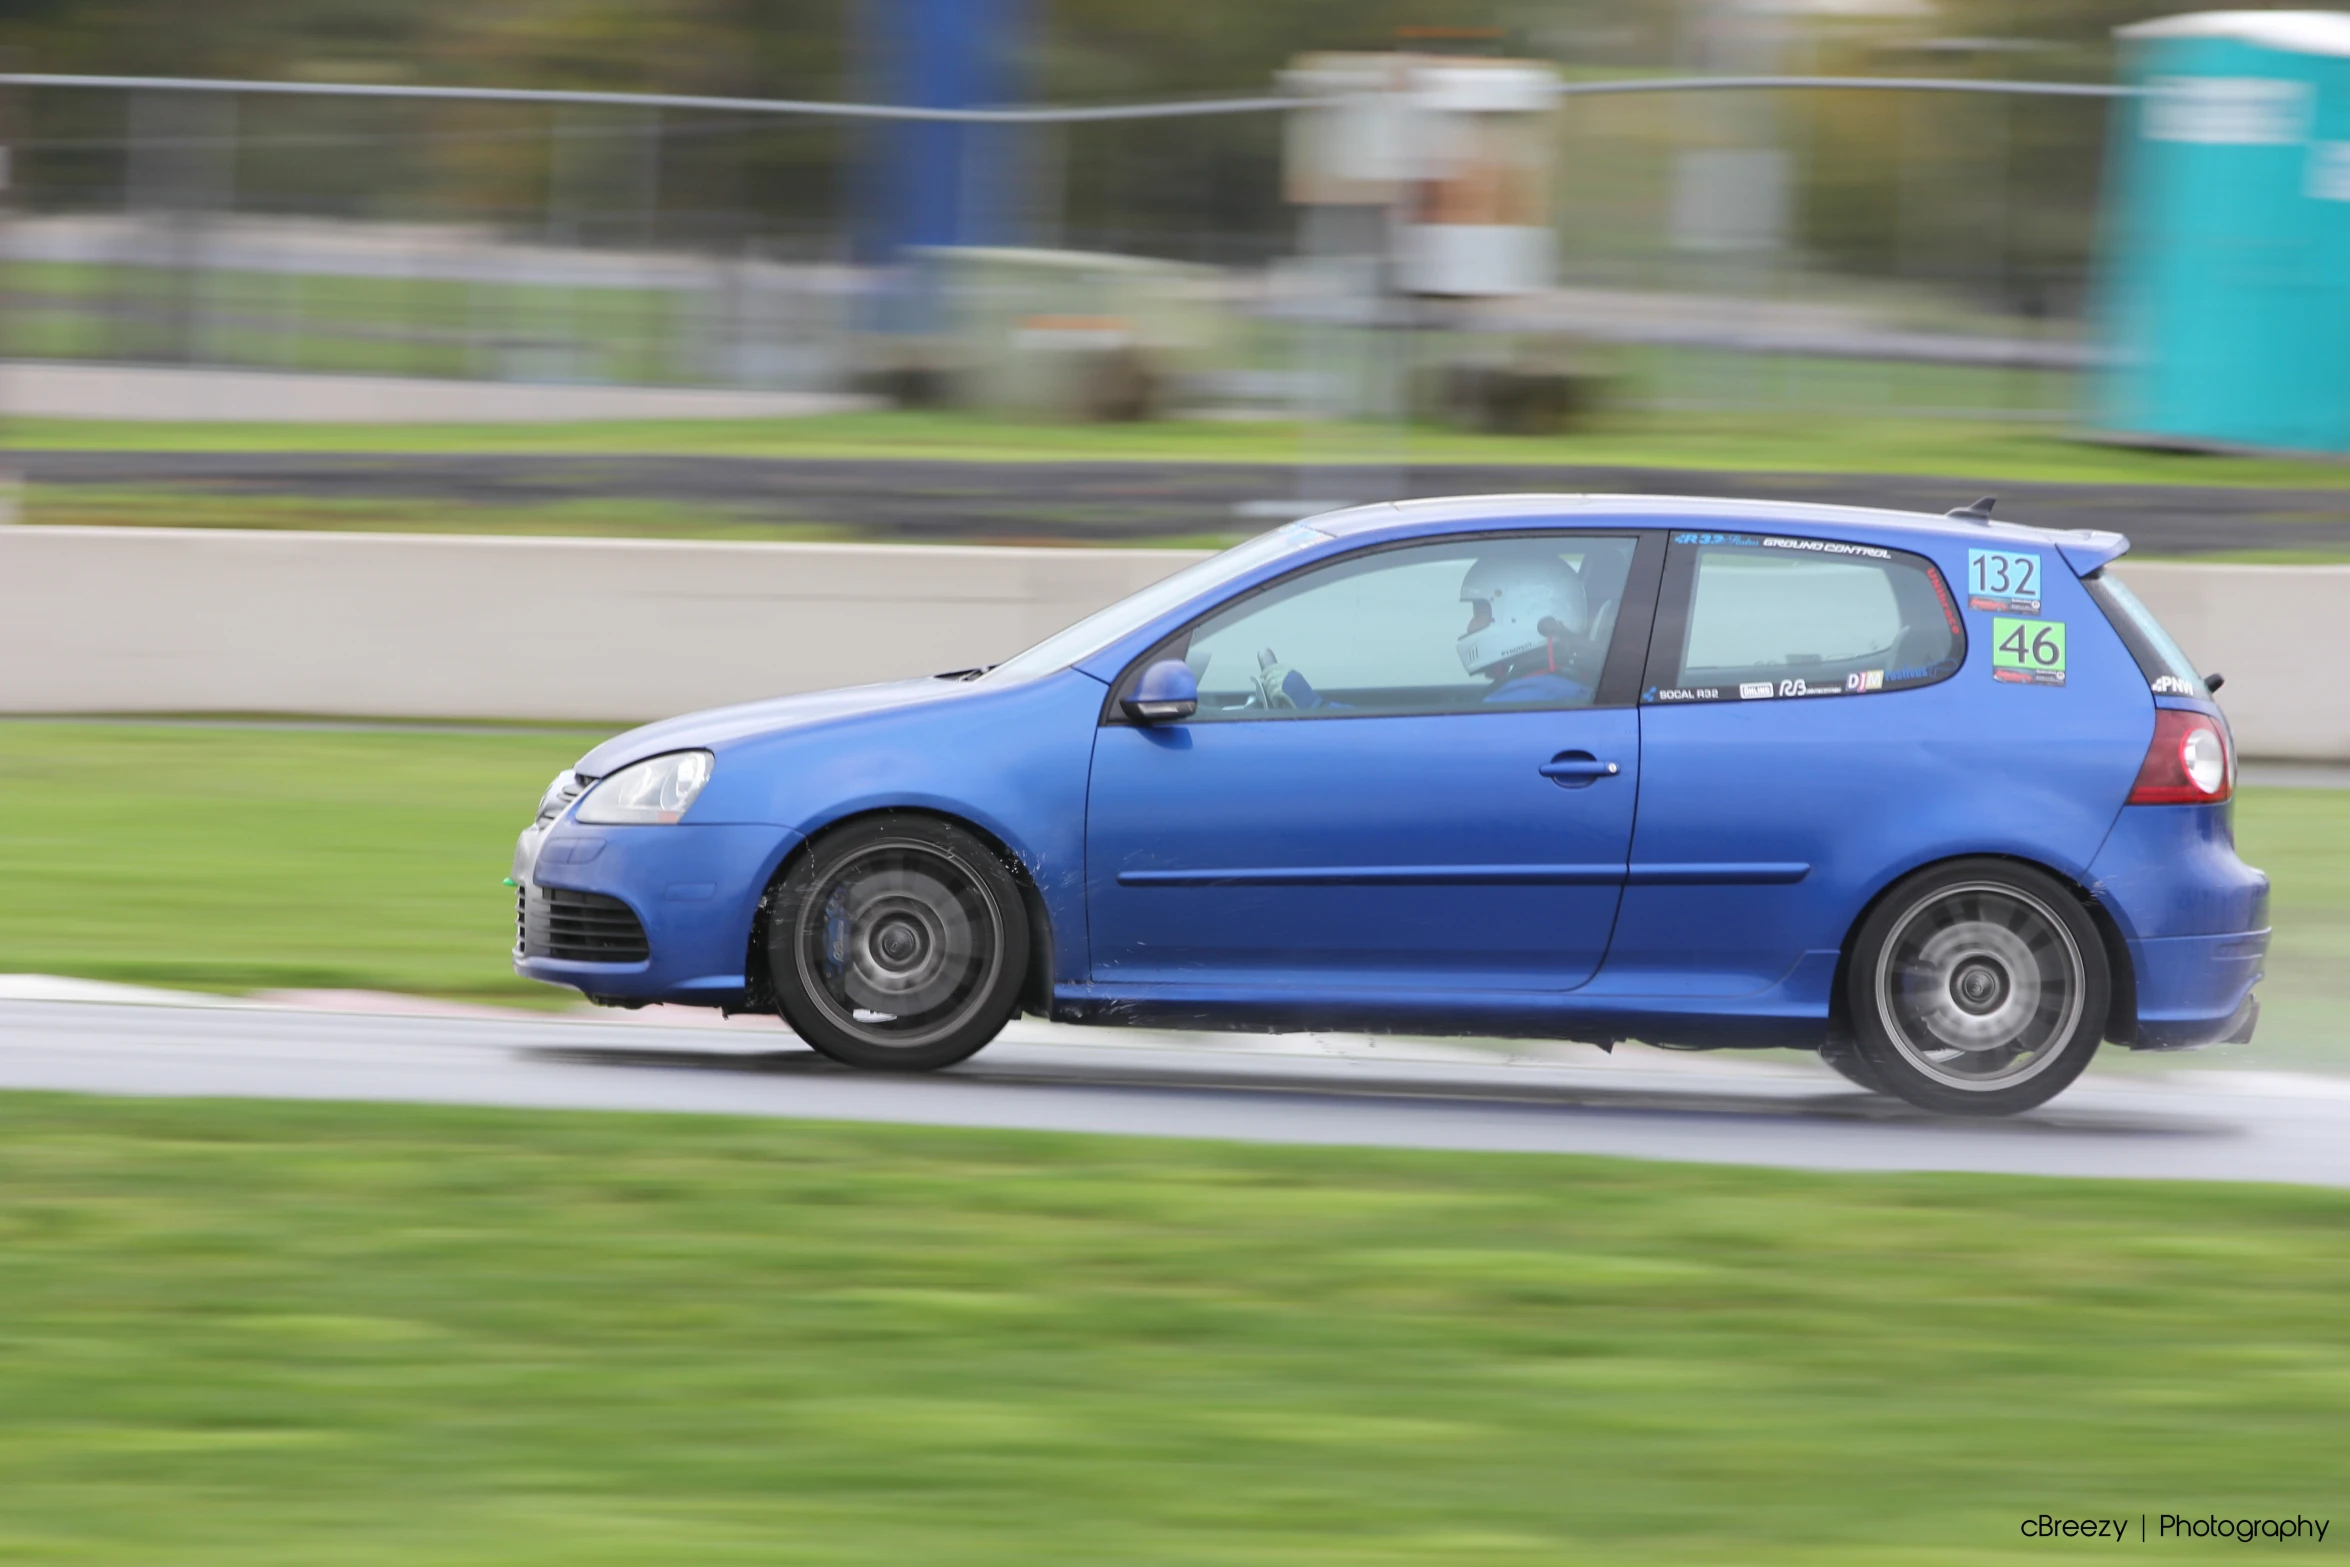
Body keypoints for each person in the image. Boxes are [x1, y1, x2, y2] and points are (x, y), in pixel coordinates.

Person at [1457, 550, 1597, 705]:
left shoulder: (1520, 700)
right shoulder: (1561, 686)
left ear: (1523, 612)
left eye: (1480, 613)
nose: (1470, 627)